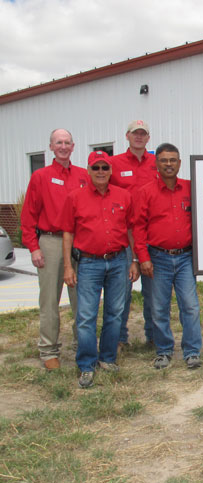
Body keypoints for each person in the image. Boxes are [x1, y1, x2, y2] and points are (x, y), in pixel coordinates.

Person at [60, 151, 139, 388]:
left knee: (115, 312)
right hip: (89, 263)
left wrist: (133, 260)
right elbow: (67, 234)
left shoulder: (124, 196)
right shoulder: (75, 197)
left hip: (118, 261)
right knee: (86, 316)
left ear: (111, 171)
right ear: (88, 170)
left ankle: (107, 358)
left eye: (105, 167)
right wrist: (67, 267)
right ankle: (86, 365)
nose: (101, 172)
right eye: (96, 168)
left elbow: (131, 230)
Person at [20, 129, 89, 369]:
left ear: (73, 146)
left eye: (67, 142)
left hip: (78, 243)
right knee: (49, 301)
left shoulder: (84, 175)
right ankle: (49, 350)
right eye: (58, 142)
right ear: (51, 146)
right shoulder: (40, 176)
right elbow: (28, 215)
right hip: (50, 241)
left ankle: (83, 345)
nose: (63, 146)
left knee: (82, 299)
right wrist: (33, 247)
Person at [133, 143, 202, 369]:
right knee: (159, 307)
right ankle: (163, 351)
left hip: (185, 258)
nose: (169, 164)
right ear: (157, 164)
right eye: (164, 160)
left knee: (190, 306)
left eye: (173, 160)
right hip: (158, 258)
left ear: (180, 163)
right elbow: (139, 227)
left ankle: (192, 352)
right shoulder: (146, 192)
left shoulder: (191, 188)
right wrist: (142, 257)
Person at [110, 120, 158, 349]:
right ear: (127, 136)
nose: (139, 137)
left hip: (151, 235)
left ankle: (153, 335)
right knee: (122, 291)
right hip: (124, 237)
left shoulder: (156, 163)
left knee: (153, 291)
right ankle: (119, 338)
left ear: (148, 138)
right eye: (135, 133)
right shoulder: (113, 164)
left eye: (143, 134)